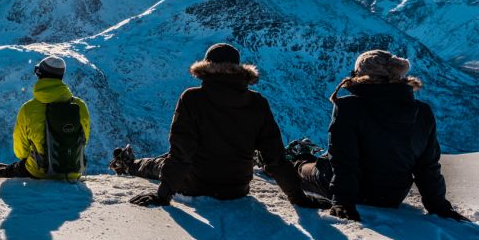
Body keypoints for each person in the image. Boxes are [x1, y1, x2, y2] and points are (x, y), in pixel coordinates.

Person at [111, 43, 325, 208]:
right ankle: (131, 163)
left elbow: (181, 154)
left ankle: (128, 165)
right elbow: (275, 158)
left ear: (205, 68)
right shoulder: (257, 102)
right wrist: (298, 197)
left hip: (194, 184)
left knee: (158, 163)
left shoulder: (192, 99)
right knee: (164, 161)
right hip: (237, 188)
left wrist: (163, 195)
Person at [295, 50, 468, 222]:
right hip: (392, 196)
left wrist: (343, 202)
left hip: (356, 192)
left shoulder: (349, 106)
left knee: (303, 169)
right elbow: (427, 167)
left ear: (362, 75)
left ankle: (295, 162)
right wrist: (439, 206)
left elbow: (344, 161)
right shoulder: (422, 111)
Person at [0, 56, 91, 179]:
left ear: (40, 75)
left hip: (38, 172)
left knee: (12, 171)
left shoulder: (28, 109)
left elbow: (21, 151)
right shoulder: (80, 106)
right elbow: (84, 138)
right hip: (74, 171)